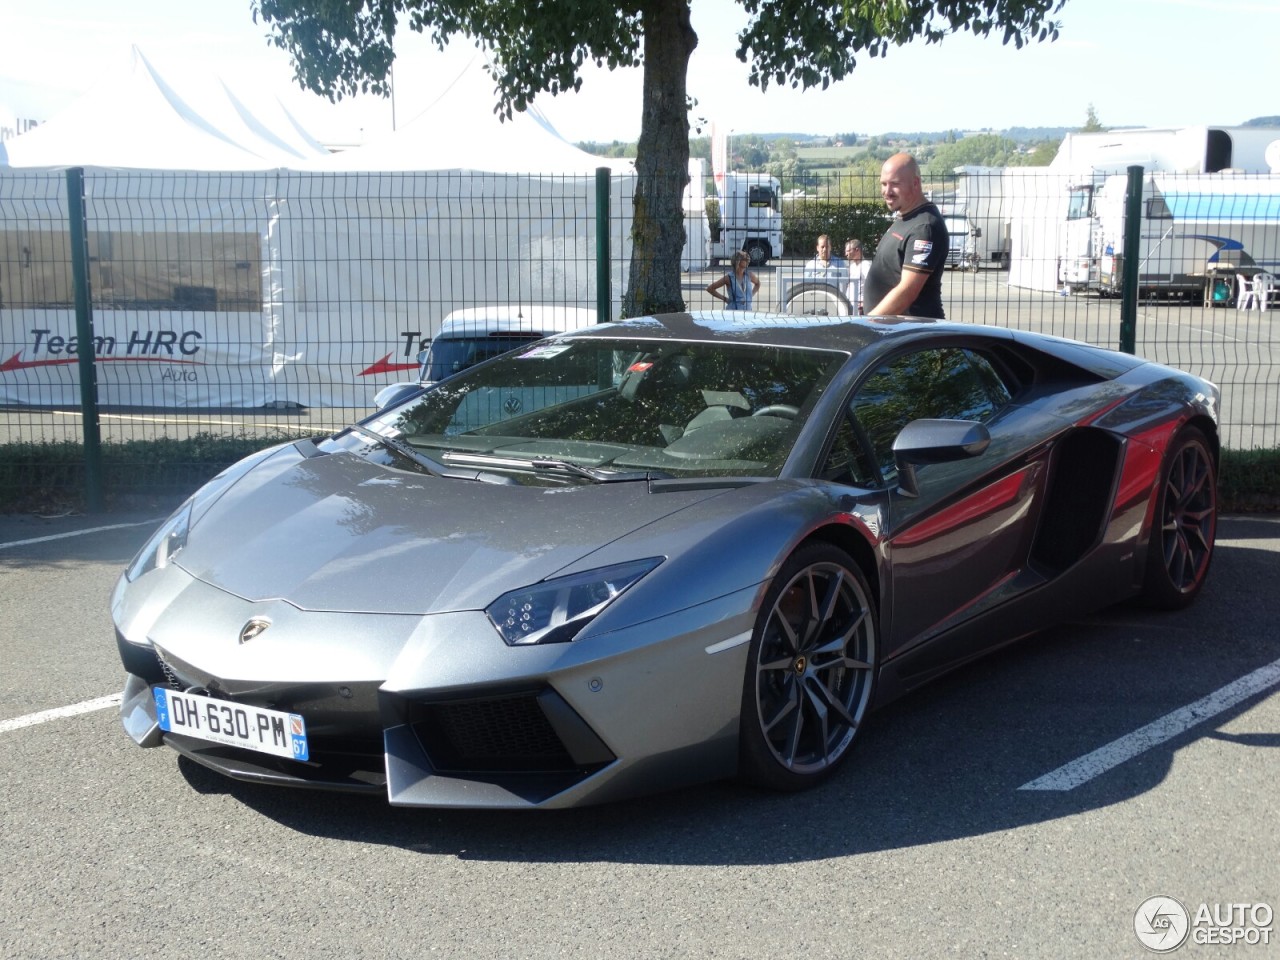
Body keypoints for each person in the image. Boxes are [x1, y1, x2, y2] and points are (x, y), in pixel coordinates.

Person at [862, 153, 949, 319]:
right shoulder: (907, 217)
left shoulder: (924, 228)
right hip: (893, 331)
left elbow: (908, 291)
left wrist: (869, 322)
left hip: (911, 337)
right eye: (883, 184)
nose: (887, 191)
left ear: (915, 183)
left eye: (894, 184)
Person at [844, 238, 870, 314]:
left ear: (857, 250)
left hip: (860, 307)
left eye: (848, 251)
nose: (846, 254)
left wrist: (864, 302)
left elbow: (872, 285)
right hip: (850, 305)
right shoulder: (852, 266)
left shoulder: (865, 266)